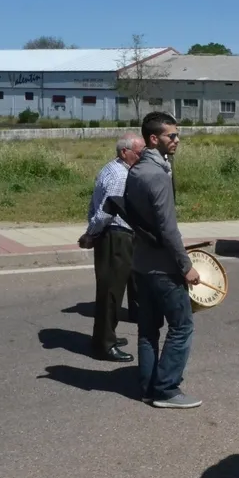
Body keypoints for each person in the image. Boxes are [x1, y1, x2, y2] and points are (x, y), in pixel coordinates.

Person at [123, 111, 202, 409]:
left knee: (147, 331)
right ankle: (167, 389)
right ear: (154, 139)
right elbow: (168, 228)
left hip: (141, 264)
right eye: (172, 135)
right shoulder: (157, 175)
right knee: (182, 327)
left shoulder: (136, 170)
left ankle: (147, 386)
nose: (177, 140)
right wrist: (186, 266)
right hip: (163, 268)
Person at [80, 134, 145, 362]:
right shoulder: (119, 175)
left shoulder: (112, 169)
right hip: (115, 237)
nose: (142, 156)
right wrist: (92, 233)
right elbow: (106, 210)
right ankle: (104, 346)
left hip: (115, 235)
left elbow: (93, 203)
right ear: (124, 152)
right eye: (139, 152)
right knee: (111, 293)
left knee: (113, 291)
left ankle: (106, 336)